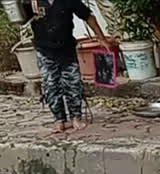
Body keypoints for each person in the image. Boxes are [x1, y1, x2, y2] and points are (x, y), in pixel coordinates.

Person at [23, 0, 111, 133]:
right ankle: (59, 120)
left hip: (67, 50)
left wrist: (101, 38)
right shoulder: (32, 1)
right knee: (51, 86)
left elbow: (88, 16)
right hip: (45, 51)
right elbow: (18, 17)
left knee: (73, 85)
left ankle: (76, 118)